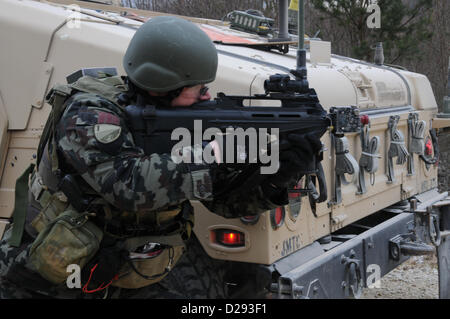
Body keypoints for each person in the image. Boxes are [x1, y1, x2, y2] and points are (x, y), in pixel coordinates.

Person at [0, 16, 321, 299]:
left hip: (134, 267)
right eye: (197, 88)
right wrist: (217, 154)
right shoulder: (89, 113)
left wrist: (279, 174)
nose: (206, 96)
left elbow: (226, 203)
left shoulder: (182, 121)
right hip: (48, 271)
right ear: (163, 84)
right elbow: (129, 185)